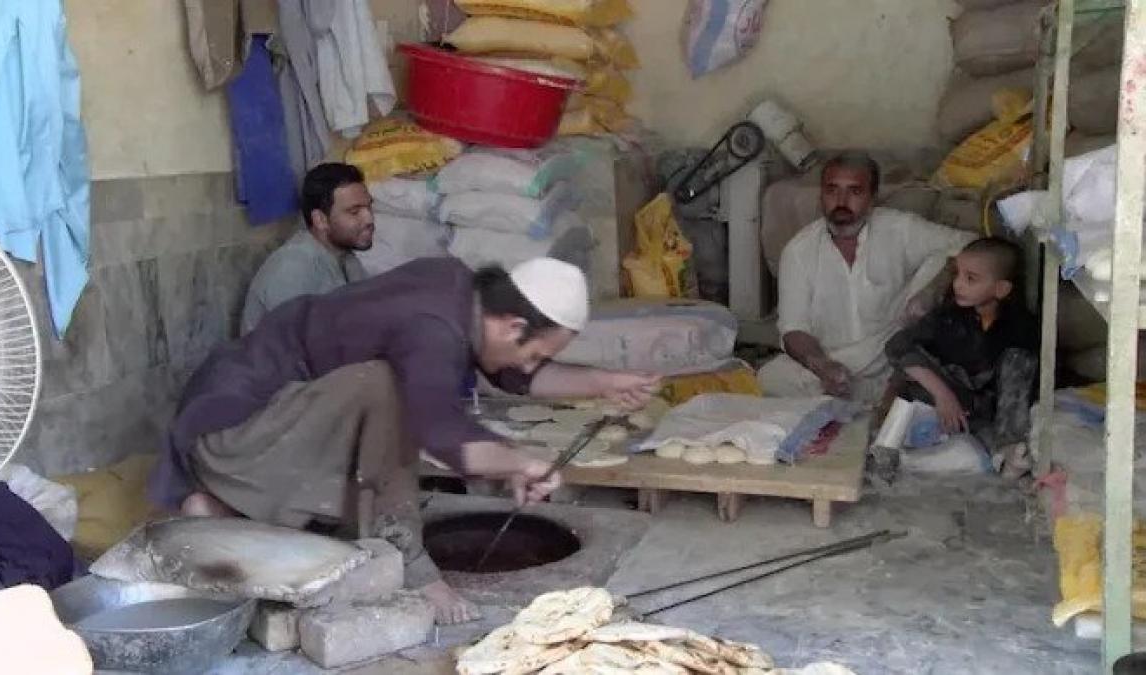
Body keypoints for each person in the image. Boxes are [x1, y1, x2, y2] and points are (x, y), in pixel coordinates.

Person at [147, 257, 660, 625]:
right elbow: (437, 428)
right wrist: (517, 461)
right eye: (534, 353)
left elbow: (513, 372)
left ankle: (218, 503)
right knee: (387, 391)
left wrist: (605, 383)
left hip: (241, 414)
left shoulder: (462, 291)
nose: (530, 366)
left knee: (381, 399)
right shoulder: (433, 327)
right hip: (234, 429)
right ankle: (406, 560)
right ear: (513, 324)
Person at [759, 150, 976, 405]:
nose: (842, 201)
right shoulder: (798, 251)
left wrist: (932, 291)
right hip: (835, 361)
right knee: (770, 377)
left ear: (872, 199)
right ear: (821, 196)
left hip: (891, 353)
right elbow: (793, 328)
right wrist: (823, 366)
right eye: (832, 190)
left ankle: (878, 395)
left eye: (855, 191)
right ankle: (875, 397)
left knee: (944, 258)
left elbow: (968, 243)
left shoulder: (900, 229)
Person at [884, 237, 1038, 474]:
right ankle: (893, 452)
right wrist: (943, 394)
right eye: (957, 274)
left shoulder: (1018, 330)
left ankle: (1005, 453)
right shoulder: (950, 314)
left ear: (1001, 289)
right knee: (909, 371)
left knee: (1017, 363)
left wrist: (1005, 439)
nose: (958, 285)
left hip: (984, 417)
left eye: (970, 279)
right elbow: (897, 345)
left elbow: (1011, 398)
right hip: (945, 404)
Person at [240, 162, 374, 334]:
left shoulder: (348, 260)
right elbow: (295, 347)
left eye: (369, 207)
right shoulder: (292, 268)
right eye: (354, 212)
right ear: (320, 220)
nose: (369, 219)